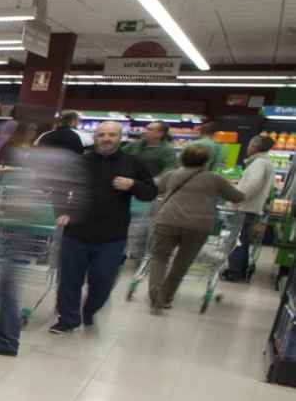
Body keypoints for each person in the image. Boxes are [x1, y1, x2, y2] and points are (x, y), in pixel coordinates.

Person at [0, 128, 88, 357]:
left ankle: (6, 340)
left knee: (7, 284)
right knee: (7, 283)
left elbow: (27, 192)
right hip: (36, 230)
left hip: (21, 228)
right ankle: (6, 338)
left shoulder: (47, 159)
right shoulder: (73, 164)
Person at [51, 121, 157, 333]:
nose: (106, 138)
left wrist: (133, 185)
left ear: (120, 137)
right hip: (77, 231)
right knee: (69, 280)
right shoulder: (80, 162)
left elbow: (151, 192)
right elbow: (60, 187)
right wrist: (61, 211)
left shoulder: (134, 163)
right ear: (95, 137)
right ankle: (68, 320)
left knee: (102, 281)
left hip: (112, 235)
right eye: (101, 135)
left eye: (111, 134)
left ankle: (90, 309)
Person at [146, 143, 246, 311]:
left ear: (182, 158)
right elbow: (237, 197)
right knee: (182, 263)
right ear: (206, 161)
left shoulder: (172, 175)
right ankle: (165, 297)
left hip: (168, 221)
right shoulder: (214, 178)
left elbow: (155, 189)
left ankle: (155, 298)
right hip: (198, 225)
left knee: (159, 258)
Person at [226, 133, 277, 281]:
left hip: (245, 208)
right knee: (244, 240)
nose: (247, 147)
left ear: (255, 146)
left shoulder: (259, 163)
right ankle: (240, 271)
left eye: (249, 144)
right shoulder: (264, 162)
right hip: (251, 207)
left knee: (237, 241)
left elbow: (252, 184)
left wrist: (237, 196)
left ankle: (234, 272)